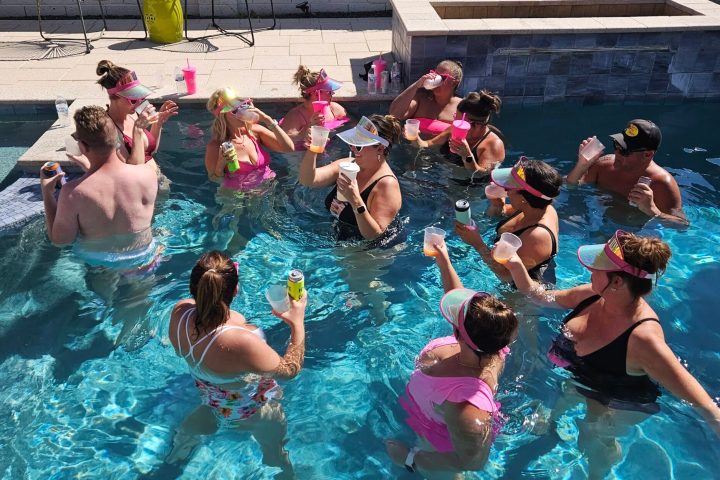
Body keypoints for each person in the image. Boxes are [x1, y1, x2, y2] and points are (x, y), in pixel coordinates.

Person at [504, 230, 720, 478]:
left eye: (598, 267)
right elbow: (540, 296)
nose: (590, 269)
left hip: (619, 399)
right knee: (559, 405)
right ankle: (555, 422)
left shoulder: (643, 339)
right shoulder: (592, 294)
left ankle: (600, 468)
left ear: (617, 282)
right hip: (585, 376)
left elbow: (699, 400)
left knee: (591, 438)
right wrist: (515, 263)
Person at [168, 251, 307, 479]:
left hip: (210, 395)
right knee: (275, 454)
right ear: (235, 290)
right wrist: (297, 322)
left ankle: (180, 450)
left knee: (201, 422)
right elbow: (290, 370)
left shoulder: (180, 312)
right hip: (253, 409)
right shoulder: (239, 343)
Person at [386, 242, 518, 478]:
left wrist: (409, 459)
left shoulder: (466, 409)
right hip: (432, 413)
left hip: (436, 439)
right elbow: (461, 306)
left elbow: (472, 462)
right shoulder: (495, 343)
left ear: (458, 333)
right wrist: (444, 260)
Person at [41, 105, 158, 268]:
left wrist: (47, 194)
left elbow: (60, 241)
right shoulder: (147, 174)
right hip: (144, 256)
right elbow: (117, 195)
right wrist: (91, 170)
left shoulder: (73, 193)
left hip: (99, 265)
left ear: (82, 146)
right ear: (117, 139)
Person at [456, 158, 561, 286]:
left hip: (518, 296)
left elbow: (506, 275)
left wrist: (477, 243)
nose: (505, 189)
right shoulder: (533, 208)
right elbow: (499, 214)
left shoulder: (538, 236)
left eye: (509, 187)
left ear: (523, 198)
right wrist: (497, 206)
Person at [298, 115, 403, 243]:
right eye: (353, 143)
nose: (353, 148)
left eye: (359, 146)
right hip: (337, 239)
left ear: (380, 149)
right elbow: (308, 180)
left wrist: (356, 201)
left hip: (367, 253)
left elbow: (375, 235)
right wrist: (312, 150)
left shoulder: (387, 184)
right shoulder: (348, 165)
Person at [566, 119, 688, 226]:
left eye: (625, 151)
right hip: (597, 221)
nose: (617, 153)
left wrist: (652, 210)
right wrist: (582, 165)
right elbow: (570, 185)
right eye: (616, 145)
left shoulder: (662, 183)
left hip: (634, 234)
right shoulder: (604, 165)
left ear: (648, 154)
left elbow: (681, 225)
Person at [68, 60, 178, 177]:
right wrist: (138, 130)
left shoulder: (133, 114)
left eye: (140, 97)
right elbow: (133, 169)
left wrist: (158, 123)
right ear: (115, 97)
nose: (139, 103)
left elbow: (150, 151)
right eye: (133, 99)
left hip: (158, 181)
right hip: (138, 189)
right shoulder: (109, 129)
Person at [205, 88, 294, 191]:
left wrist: (267, 120)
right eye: (235, 111)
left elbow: (289, 148)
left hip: (269, 189)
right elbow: (214, 179)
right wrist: (221, 162)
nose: (241, 113)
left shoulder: (255, 132)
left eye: (243, 107)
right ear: (222, 116)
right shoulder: (215, 146)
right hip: (237, 197)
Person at [413, 90, 505, 178]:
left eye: (458, 120)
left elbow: (481, 175)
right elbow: (428, 145)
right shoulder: (454, 129)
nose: (454, 122)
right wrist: (414, 137)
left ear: (476, 125)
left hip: (468, 190)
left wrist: (467, 156)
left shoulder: (493, 145)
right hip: (444, 177)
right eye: (455, 117)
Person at [389, 60, 463, 137]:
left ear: (454, 83)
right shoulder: (421, 99)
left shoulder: (461, 107)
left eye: (443, 78)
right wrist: (416, 85)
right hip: (414, 148)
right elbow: (395, 114)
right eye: (435, 75)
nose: (436, 80)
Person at [281, 66, 349, 148]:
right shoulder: (295, 116)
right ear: (316, 94)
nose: (333, 93)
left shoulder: (334, 109)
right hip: (303, 153)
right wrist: (307, 128)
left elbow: (352, 124)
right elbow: (284, 141)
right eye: (329, 91)